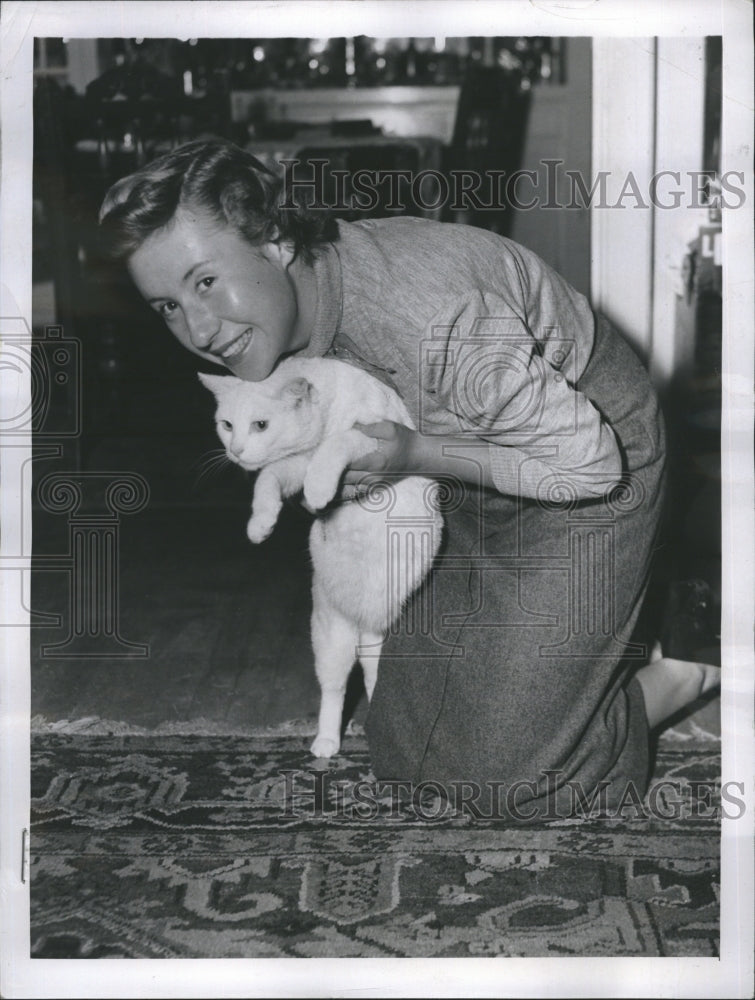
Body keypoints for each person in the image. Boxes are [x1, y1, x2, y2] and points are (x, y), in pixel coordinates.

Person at [99, 139, 719, 820]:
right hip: (460, 468)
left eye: (205, 282)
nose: (199, 328)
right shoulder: (274, 322)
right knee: (402, 744)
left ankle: (682, 662)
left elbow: (588, 467)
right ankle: (608, 629)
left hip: (590, 463)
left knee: (508, 777)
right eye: (167, 307)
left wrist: (413, 456)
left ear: (274, 242)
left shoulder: (433, 318)